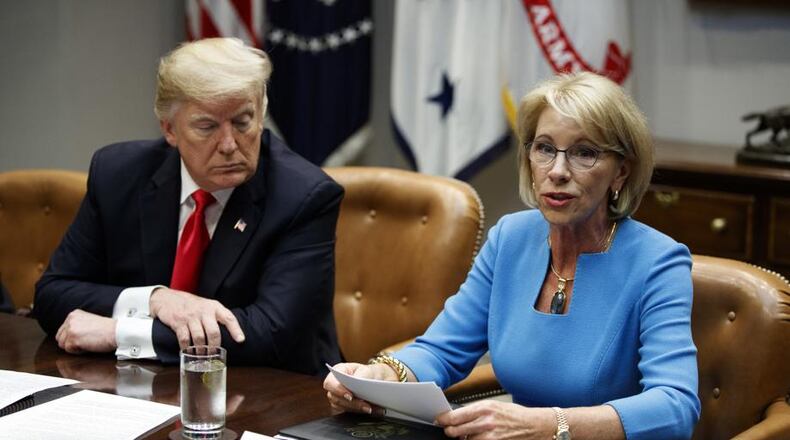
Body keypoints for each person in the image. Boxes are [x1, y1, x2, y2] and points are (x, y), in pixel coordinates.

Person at [324, 72, 700, 439]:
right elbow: (441, 349)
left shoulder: (658, 262)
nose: (557, 171)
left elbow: (675, 406)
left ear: (621, 172)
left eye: (585, 153)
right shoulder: (510, 238)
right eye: (545, 148)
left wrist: (551, 426)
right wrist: (382, 376)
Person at [34, 37, 343, 375]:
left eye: (243, 122)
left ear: (261, 111)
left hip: (274, 394)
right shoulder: (118, 174)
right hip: (143, 388)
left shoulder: (303, 196)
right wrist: (155, 300)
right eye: (207, 126)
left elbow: (272, 333)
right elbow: (53, 293)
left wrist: (122, 332)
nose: (229, 144)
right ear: (169, 129)